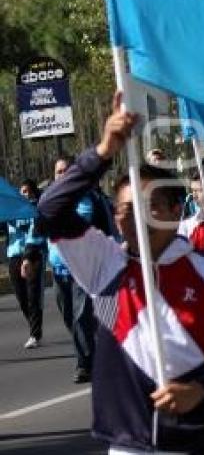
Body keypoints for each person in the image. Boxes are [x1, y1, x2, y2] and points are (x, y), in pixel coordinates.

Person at [36, 92, 204, 452]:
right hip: (127, 444)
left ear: (175, 209)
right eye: (123, 209)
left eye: (147, 207)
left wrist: (203, 389)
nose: (131, 218)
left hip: (202, 443)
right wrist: (103, 151)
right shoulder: (105, 264)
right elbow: (51, 209)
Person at [48, 156, 108, 383]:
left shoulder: (86, 198)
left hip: (82, 269)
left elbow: (95, 225)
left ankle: (85, 364)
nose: (61, 175)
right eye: (58, 172)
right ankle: (96, 350)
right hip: (59, 270)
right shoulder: (49, 199)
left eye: (66, 171)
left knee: (80, 317)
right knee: (69, 317)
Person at [6, 179, 45, 349]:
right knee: (22, 298)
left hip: (32, 255)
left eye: (28, 191)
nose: (25, 194)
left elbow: (38, 231)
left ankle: (35, 334)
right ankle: (33, 325)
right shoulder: (10, 212)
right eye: (22, 192)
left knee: (32, 295)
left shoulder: (37, 209)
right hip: (14, 256)